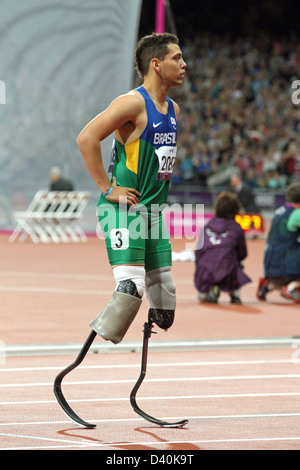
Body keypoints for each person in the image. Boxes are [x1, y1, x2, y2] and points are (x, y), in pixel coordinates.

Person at [53, 32, 187, 428]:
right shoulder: (132, 102)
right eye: (177, 58)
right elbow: (86, 137)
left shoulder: (174, 108)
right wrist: (108, 189)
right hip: (124, 211)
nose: (185, 64)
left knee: (163, 307)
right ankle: (68, 376)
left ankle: (136, 390)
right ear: (156, 64)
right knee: (130, 290)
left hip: (152, 215)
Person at [194, 191, 251, 304]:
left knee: (201, 297)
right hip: (227, 271)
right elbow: (242, 253)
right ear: (236, 209)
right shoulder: (236, 227)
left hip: (205, 272)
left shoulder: (207, 225)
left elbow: (198, 252)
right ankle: (234, 293)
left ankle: (211, 288)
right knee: (238, 263)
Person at [257, 182, 300, 303]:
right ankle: (292, 287)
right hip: (286, 267)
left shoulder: (279, 211)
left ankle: (268, 286)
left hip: (270, 267)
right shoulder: (297, 213)